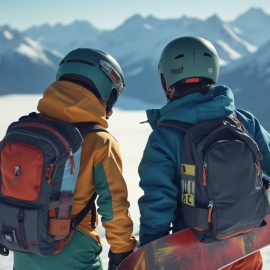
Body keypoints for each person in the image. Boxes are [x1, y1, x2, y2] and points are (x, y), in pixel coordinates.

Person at [138, 36, 270, 270]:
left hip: (194, 252)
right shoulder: (243, 120)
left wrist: (150, 256)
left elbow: (157, 204)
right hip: (245, 246)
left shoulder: (164, 137)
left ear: (166, 79)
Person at [13, 48, 136, 270]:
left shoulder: (23, 130)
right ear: (107, 92)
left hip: (23, 244)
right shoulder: (99, 141)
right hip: (72, 247)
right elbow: (114, 206)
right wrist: (122, 252)